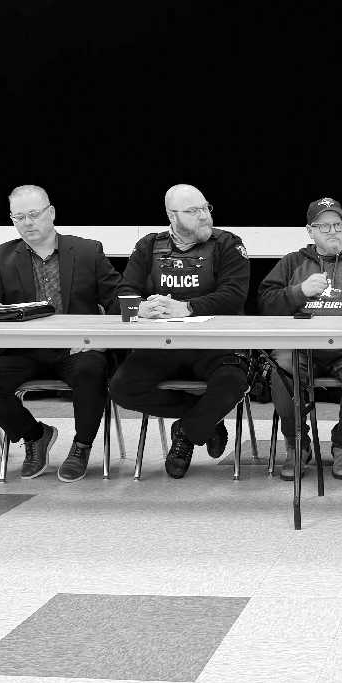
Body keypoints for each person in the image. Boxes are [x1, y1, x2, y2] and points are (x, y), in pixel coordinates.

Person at [0, 185, 122, 482]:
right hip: (25, 350)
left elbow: (116, 299)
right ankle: (35, 435)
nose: (27, 222)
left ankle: (81, 447)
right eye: (19, 217)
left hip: (76, 348)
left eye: (34, 214)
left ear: (51, 213)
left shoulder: (88, 251)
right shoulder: (0, 256)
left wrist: (103, 341)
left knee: (91, 369)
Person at [108, 184, 251, 479]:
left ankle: (186, 432)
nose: (204, 215)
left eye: (206, 207)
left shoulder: (228, 244)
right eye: (193, 211)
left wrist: (187, 307)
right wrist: (139, 308)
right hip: (163, 346)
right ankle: (205, 418)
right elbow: (124, 291)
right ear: (172, 216)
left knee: (233, 383)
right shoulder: (149, 245)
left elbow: (234, 295)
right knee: (121, 388)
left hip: (215, 346)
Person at [258, 197, 342, 480]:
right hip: (302, 347)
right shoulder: (292, 262)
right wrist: (299, 292)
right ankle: (297, 443)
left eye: (337, 225)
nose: (332, 231)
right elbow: (265, 303)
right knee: (282, 367)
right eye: (324, 226)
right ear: (310, 231)